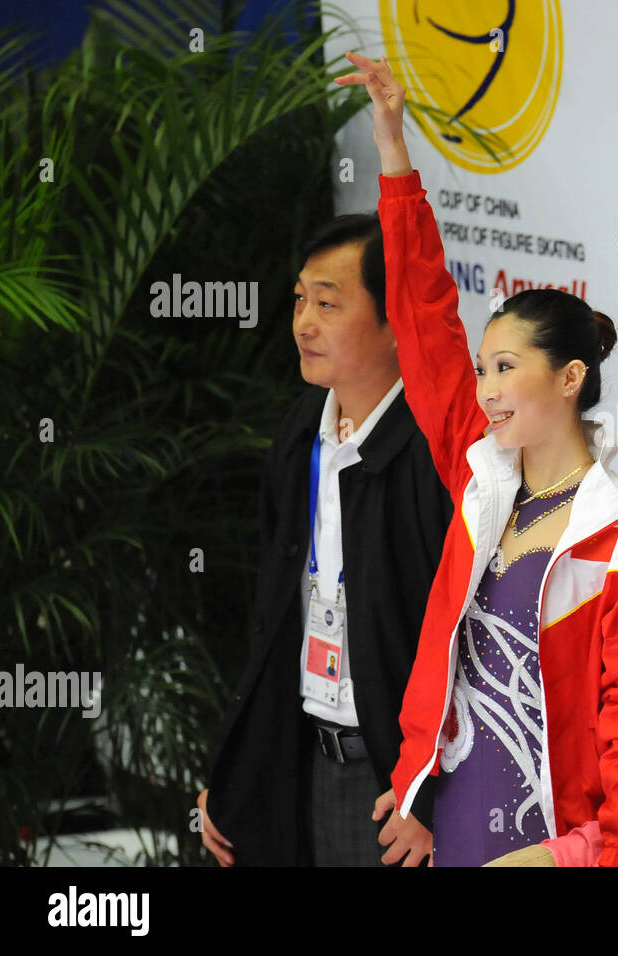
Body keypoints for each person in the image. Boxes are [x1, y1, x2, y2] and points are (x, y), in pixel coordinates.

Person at [338, 52, 618, 867]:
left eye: (506, 368)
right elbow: (423, 318)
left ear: (569, 379)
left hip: (563, 847)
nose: (486, 389)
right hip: (458, 824)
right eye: (483, 368)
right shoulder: (483, 479)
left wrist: (579, 854)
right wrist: (392, 149)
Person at [197, 214, 455, 866]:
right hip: (304, 752)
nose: (303, 323)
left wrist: (431, 792)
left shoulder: (434, 457)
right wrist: (236, 762)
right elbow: (274, 617)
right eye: (300, 300)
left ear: (396, 323)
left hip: (400, 784)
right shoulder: (299, 433)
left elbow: (468, 642)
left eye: (328, 303)